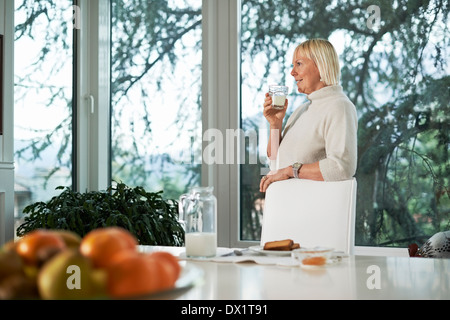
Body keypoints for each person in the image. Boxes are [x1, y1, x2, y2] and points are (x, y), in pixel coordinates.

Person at [260, 38, 358, 192]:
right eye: (293, 66)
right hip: (285, 207)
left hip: (307, 211)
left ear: (320, 66)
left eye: (299, 64)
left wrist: (290, 170)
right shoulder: (302, 110)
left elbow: (341, 166)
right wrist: (275, 124)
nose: (292, 72)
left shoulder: (339, 106)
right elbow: (275, 163)